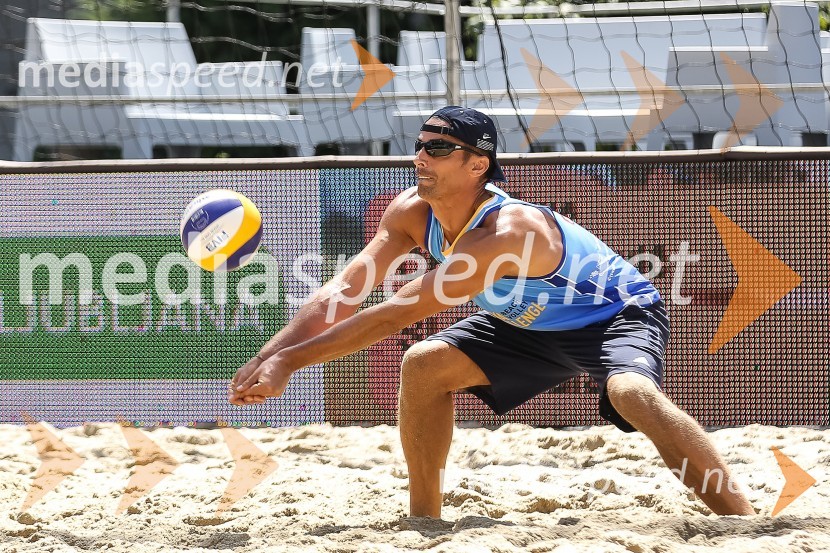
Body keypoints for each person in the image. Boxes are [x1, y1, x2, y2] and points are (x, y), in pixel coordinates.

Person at [229, 106, 755, 518]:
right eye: (418, 145)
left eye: (438, 148)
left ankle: (743, 523)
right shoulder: (411, 211)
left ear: (477, 164)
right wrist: (267, 356)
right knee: (424, 365)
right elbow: (340, 293)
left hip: (610, 315)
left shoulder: (505, 235)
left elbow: (394, 313)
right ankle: (425, 520)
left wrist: (291, 364)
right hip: (521, 323)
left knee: (631, 394)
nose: (420, 157)